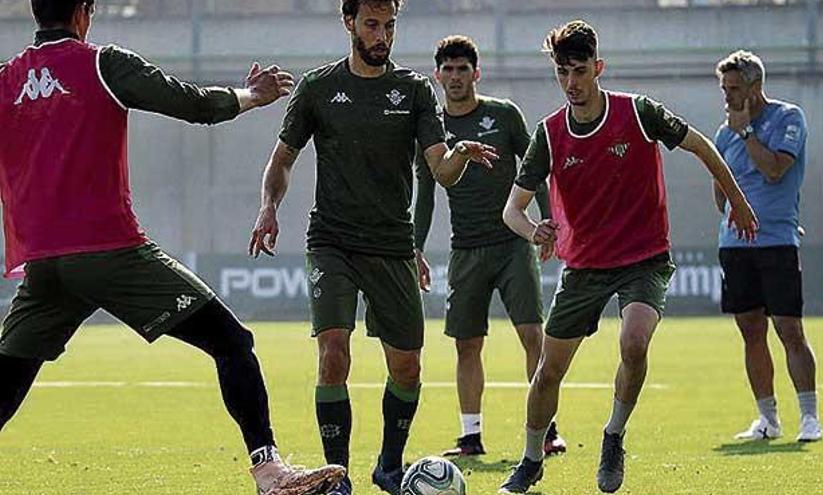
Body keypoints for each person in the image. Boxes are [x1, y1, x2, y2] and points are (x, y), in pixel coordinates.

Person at [0, 1, 346, 494]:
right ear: (85, 11)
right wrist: (253, 94)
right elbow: (196, 105)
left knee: (10, 374)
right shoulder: (103, 64)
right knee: (231, 342)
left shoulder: (6, 79)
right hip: (111, 252)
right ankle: (270, 473)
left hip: (42, 264)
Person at [498, 20, 758, 494]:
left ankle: (613, 436)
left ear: (598, 68)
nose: (572, 83)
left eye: (580, 71)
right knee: (548, 371)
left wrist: (736, 199)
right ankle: (531, 459)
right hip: (583, 266)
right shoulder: (550, 135)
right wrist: (535, 228)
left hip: (644, 258)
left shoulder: (638, 112)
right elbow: (511, 210)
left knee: (634, 343)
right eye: (563, 73)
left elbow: (700, 144)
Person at [247, 2, 497, 494]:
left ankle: (389, 464)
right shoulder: (318, 89)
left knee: (407, 365)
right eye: (371, 25)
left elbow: (441, 169)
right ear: (349, 24)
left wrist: (460, 156)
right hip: (332, 241)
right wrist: (268, 207)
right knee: (333, 350)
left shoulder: (414, 91)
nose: (382, 35)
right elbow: (281, 161)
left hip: (392, 244)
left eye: (389, 26)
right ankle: (337, 476)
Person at [412, 35, 566, 458]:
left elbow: (537, 171)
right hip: (465, 249)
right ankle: (470, 436)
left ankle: (547, 430)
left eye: (464, 69)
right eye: (449, 69)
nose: (456, 76)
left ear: (476, 73)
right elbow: (424, 191)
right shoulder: (432, 131)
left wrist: (549, 224)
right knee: (467, 344)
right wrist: (416, 246)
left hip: (513, 244)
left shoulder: (504, 115)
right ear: (437, 74)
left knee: (534, 335)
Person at [713, 50, 823, 443]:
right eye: (724, 89)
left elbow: (776, 169)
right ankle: (767, 419)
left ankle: (809, 417)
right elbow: (721, 196)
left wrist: (745, 133)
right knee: (751, 331)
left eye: (735, 89)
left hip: (776, 240)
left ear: (756, 87)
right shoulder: (723, 132)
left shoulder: (787, 117)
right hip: (735, 246)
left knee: (789, 329)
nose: (727, 97)